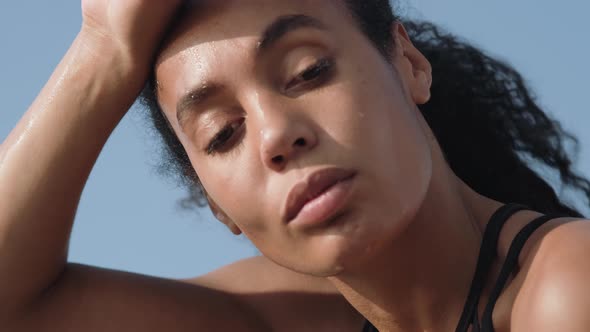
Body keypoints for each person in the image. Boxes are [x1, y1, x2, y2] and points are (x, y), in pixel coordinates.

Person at [1, 0, 589, 331]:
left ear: (408, 62)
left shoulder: (569, 291)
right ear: (215, 204)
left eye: (309, 72)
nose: (276, 135)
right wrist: (104, 48)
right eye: (223, 133)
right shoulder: (294, 316)